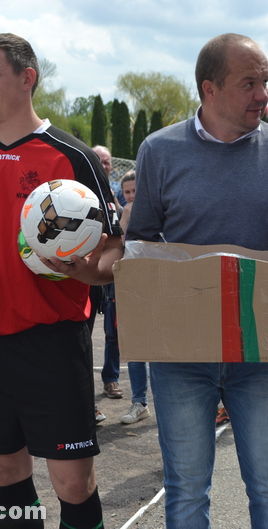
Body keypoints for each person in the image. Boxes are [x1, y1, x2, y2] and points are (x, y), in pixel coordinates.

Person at [127, 33, 268, 528]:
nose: (263, 95)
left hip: (262, 351)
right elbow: (140, 246)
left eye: (265, 81)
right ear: (210, 90)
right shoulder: (159, 152)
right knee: (185, 489)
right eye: (249, 84)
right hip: (181, 356)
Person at [0, 33, 124, 529]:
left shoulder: (70, 157)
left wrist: (85, 270)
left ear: (27, 78)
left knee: (73, 484)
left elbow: (114, 250)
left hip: (52, 342)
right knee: (8, 474)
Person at [116, 171, 151, 424]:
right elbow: (118, 250)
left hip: (161, 285)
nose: (131, 196)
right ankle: (139, 403)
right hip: (135, 287)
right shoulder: (124, 214)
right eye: (127, 192)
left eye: (135, 191)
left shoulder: (160, 208)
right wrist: (126, 218)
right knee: (136, 347)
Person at [92, 144, 124, 401]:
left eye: (107, 161)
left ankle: (110, 379)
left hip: (112, 269)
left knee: (113, 331)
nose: (104, 166)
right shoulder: (77, 192)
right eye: (99, 161)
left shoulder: (121, 193)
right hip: (87, 270)